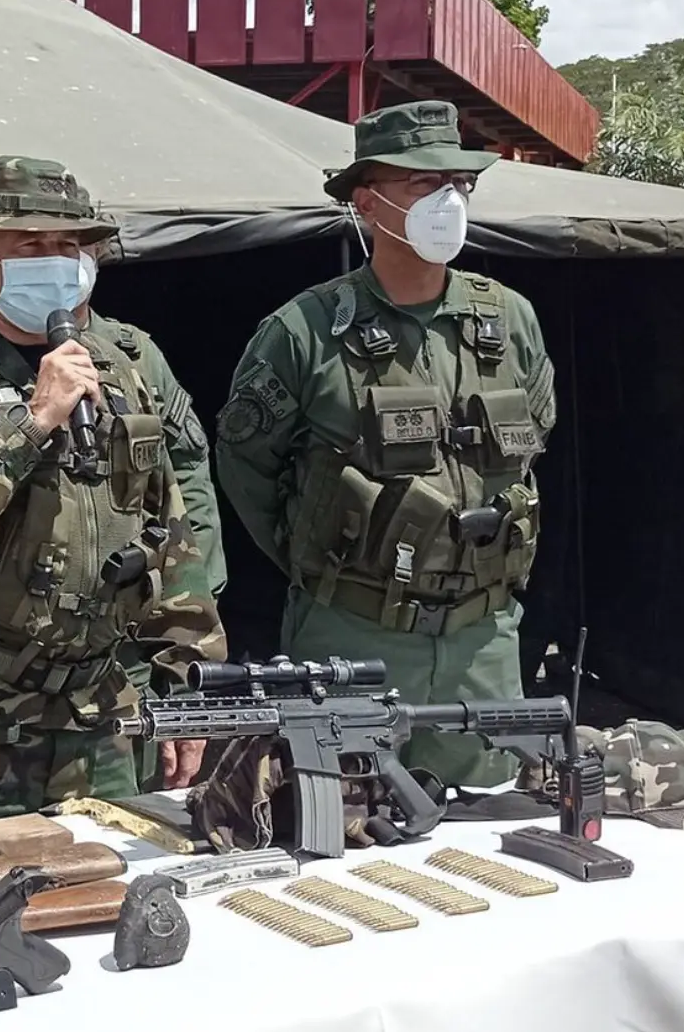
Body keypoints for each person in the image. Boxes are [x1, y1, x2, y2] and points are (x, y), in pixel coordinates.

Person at [0, 155, 226, 831]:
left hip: (106, 714)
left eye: (69, 245)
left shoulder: (122, 368)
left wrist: (188, 683)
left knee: (116, 896)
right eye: (30, 245)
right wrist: (33, 422)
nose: (56, 260)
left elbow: (169, 536)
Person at [216, 100, 556, 787]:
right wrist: (326, 560)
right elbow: (246, 468)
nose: (447, 201)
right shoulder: (303, 332)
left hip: (481, 645)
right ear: (369, 203)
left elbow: (534, 440)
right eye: (422, 185)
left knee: (486, 829)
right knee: (342, 823)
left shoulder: (510, 319)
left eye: (458, 185)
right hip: (351, 640)